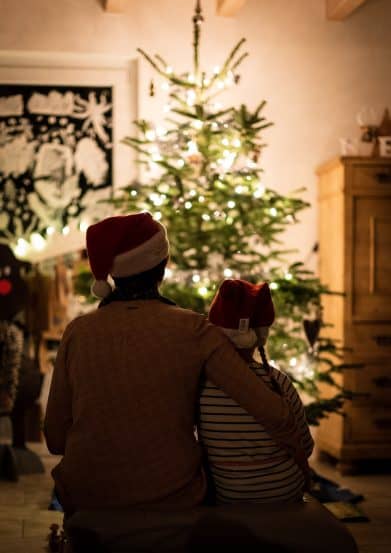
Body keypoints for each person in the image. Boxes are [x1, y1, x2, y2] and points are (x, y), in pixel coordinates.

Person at [44, 212, 309, 515]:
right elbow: (271, 410)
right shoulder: (194, 329)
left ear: (114, 275)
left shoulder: (78, 332)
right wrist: (300, 461)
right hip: (172, 499)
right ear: (163, 265)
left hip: (87, 499)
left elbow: (54, 438)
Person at [198, 279, 314, 504]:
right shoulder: (279, 381)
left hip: (229, 493)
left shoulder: (201, 385)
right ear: (260, 337)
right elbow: (306, 446)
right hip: (284, 489)